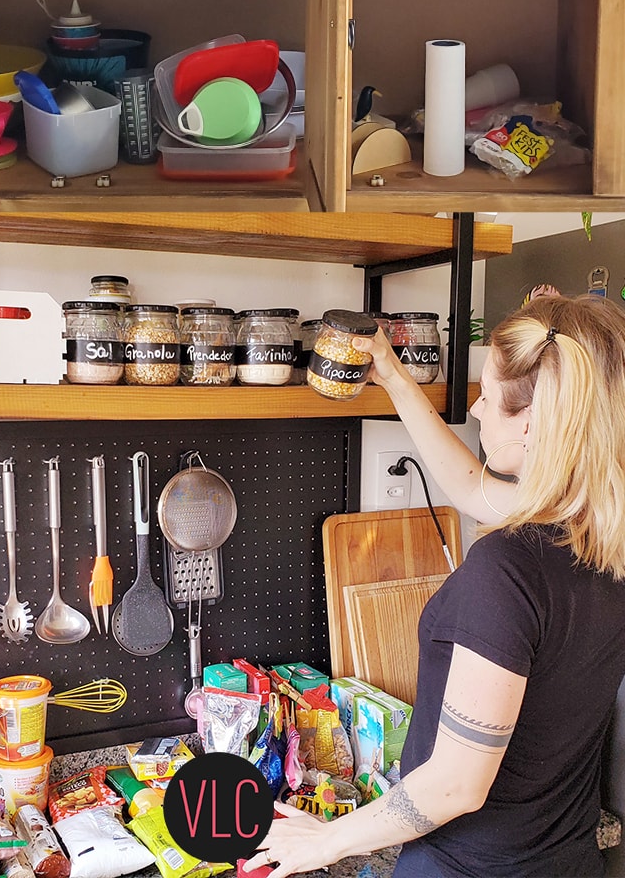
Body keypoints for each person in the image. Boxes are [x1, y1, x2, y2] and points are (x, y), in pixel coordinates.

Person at [244, 295, 625, 878]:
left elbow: (454, 787)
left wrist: (325, 841)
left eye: (490, 397)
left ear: (531, 421)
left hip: (467, 865)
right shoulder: (600, 536)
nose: (475, 409)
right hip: (568, 859)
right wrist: (394, 377)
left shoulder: (507, 569)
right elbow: (473, 486)